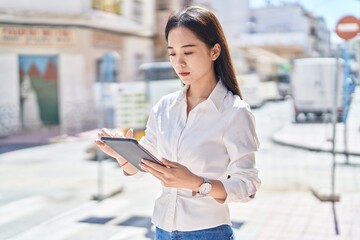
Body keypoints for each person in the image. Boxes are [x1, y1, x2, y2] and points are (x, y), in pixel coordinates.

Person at [95, 6, 260, 240]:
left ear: (214, 51)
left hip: (209, 233)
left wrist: (196, 183)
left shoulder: (234, 112)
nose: (179, 62)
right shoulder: (164, 107)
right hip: (162, 230)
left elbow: (248, 186)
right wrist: (122, 154)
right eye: (172, 53)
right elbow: (143, 166)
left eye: (188, 52)